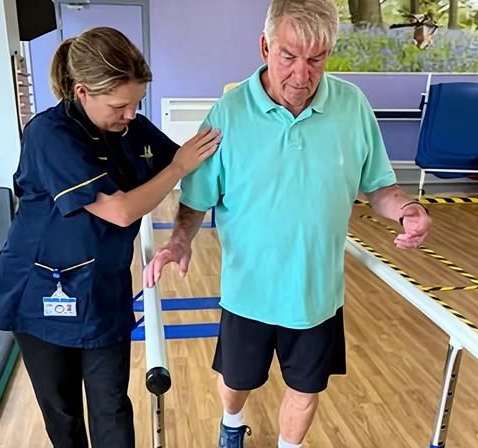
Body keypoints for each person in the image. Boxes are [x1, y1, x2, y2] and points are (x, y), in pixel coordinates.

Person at [143, 1, 432, 447]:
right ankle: (232, 424)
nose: (302, 74)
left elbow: (378, 188)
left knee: (306, 388)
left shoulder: (351, 106)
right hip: (248, 292)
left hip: (316, 294)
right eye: (289, 56)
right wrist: (180, 240)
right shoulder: (229, 113)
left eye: (316, 59)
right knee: (235, 384)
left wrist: (407, 209)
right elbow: (197, 197)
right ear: (264, 46)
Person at [0, 26, 220, 448]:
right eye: (119, 105)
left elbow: (198, 167)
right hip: (40, 295)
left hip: (102, 293)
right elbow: (121, 210)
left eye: (137, 103)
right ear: (82, 92)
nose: (131, 115)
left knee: (112, 408)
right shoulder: (50, 134)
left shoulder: (135, 131)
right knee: (64, 416)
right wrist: (178, 168)